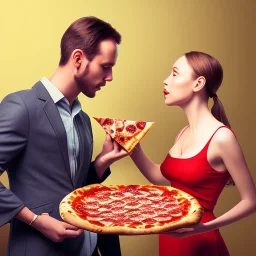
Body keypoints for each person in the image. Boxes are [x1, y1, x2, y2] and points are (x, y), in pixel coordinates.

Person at [0, 16, 128, 256]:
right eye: (105, 66)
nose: (109, 77)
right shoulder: (21, 106)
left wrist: (103, 161)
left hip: (89, 248)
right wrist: (35, 220)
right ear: (78, 59)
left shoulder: (83, 119)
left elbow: (73, 188)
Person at [130, 51, 256, 256]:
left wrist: (205, 227)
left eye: (174, 74)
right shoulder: (183, 133)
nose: (166, 81)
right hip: (171, 237)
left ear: (198, 84)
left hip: (199, 239)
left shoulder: (222, 137)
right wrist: (133, 147)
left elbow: (251, 201)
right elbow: (160, 177)